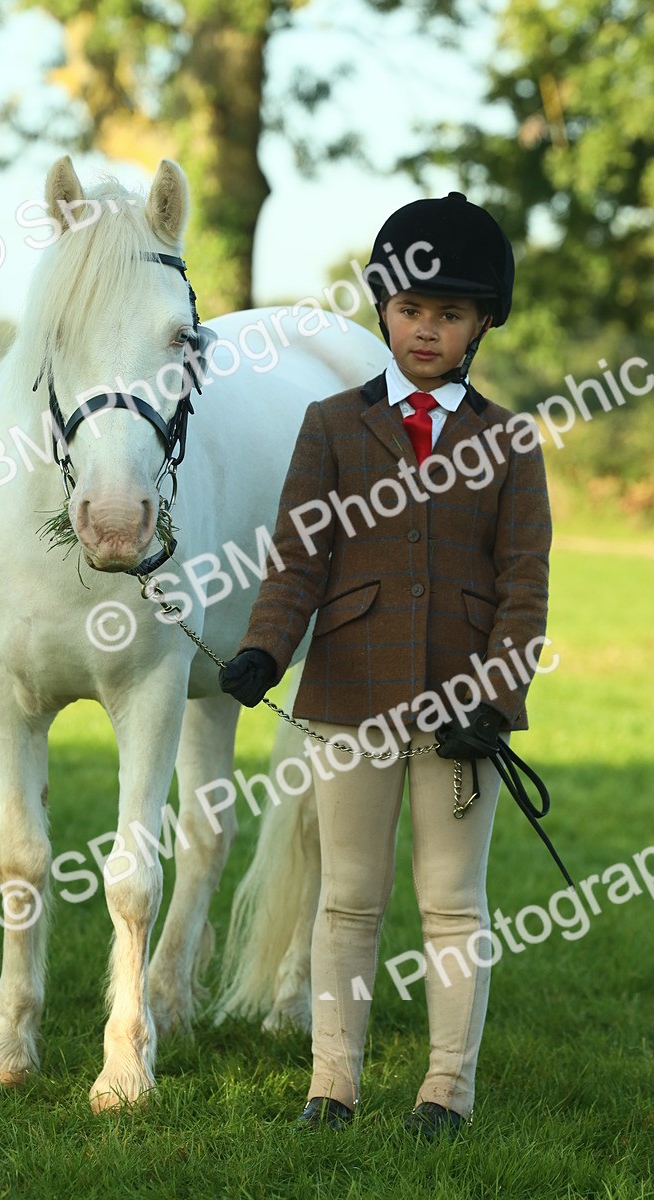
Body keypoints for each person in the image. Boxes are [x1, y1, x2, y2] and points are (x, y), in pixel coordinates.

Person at [218, 192, 552, 1140]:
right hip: (350, 693)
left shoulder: (510, 444)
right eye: (411, 310)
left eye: (450, 314)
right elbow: (298, 557)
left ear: (483, 322)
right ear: (383, 312)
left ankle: (448, 1088)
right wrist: (263, 649)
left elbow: (523, 590)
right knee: (349, 898)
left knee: (451, 903)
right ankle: (333, 1084)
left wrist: (492, 700)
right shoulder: (329, 425)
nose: (427, 329)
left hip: (462, 714)